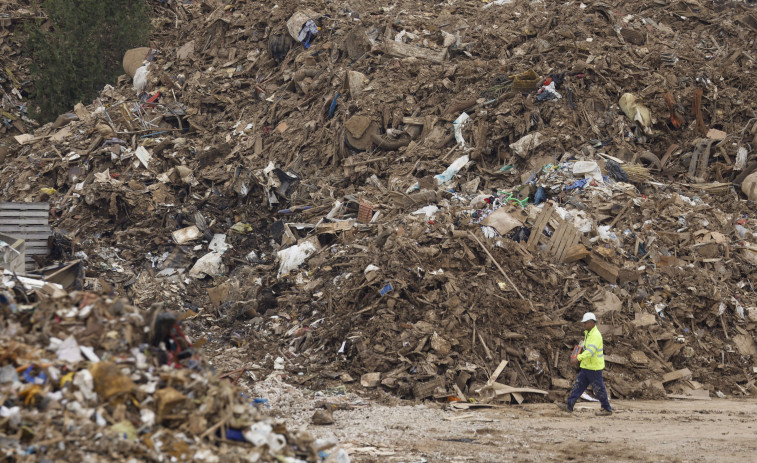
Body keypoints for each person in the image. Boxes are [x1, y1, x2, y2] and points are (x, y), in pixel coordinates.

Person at [562, 312, 612, 415]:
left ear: (591, 323)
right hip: (587, 366)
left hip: (594, 368)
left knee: (599, 389)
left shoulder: (595, 335)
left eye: (585, 323)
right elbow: (585, 348)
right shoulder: (588, 334)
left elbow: (590, 352)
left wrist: (578, 358)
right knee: (578, 386)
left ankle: (607, 409)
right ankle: (569, 406)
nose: (583, 325)